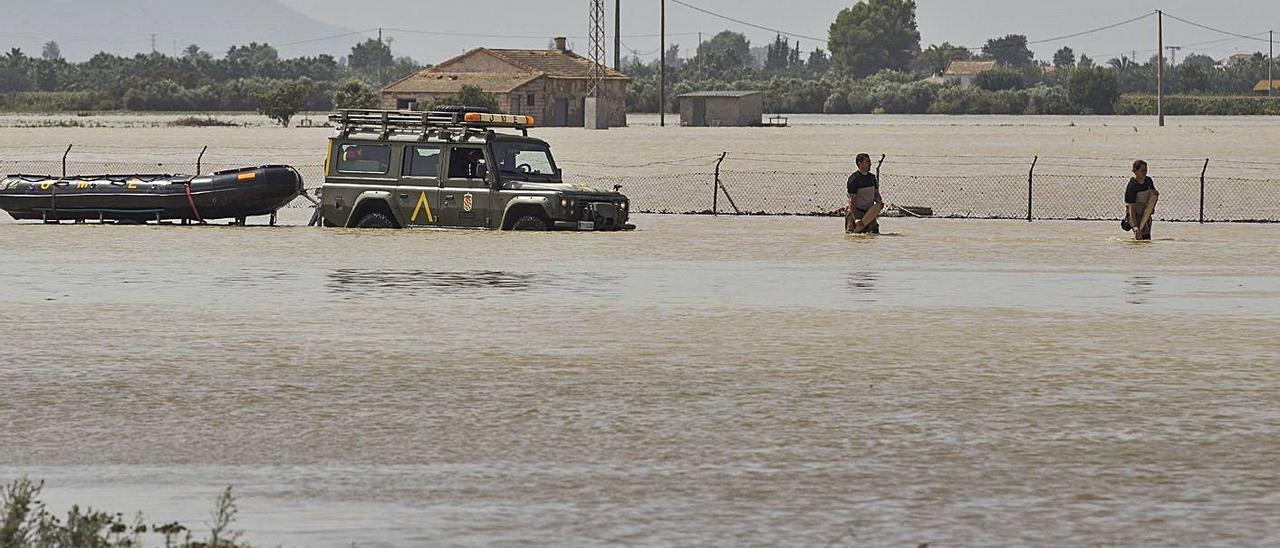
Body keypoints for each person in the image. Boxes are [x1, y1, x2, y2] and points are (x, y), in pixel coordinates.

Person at [845, 153, 884, 234]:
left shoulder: (872, 178)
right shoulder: (854, 179)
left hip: (869, 213)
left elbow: (876, 193)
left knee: (874, 234)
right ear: (860, 163)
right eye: (867, 161)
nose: (870, 164)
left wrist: (879, 202)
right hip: (855, 212)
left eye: (870, 161)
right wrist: (856, 219)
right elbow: (851, 201)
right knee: (853, 237)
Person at [1125, 159, 1159, 240]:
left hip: (1146, 214)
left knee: (1146, 239)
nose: (1145, 172)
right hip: (1135, 215)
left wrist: (1152, 208)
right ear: (1135, 171)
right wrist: (1135, 226)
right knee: (1141, 237)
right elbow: (1131, 209)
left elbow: (1154, 196)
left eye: (1146, 170)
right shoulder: (1132, 186)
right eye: (1142, 170)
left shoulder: (1148, 181)